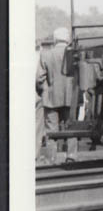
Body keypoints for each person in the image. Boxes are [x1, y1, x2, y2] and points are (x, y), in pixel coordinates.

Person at [36, 27, 78, 160]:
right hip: (71, 98)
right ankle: (71, 156)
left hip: (51, 98)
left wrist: (43, 91)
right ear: (68, 40)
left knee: (51, 130)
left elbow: (39, 79)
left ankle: (51, 158)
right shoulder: (74, 54)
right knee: (71, 129)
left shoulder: (46, 54)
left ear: (55, 39)